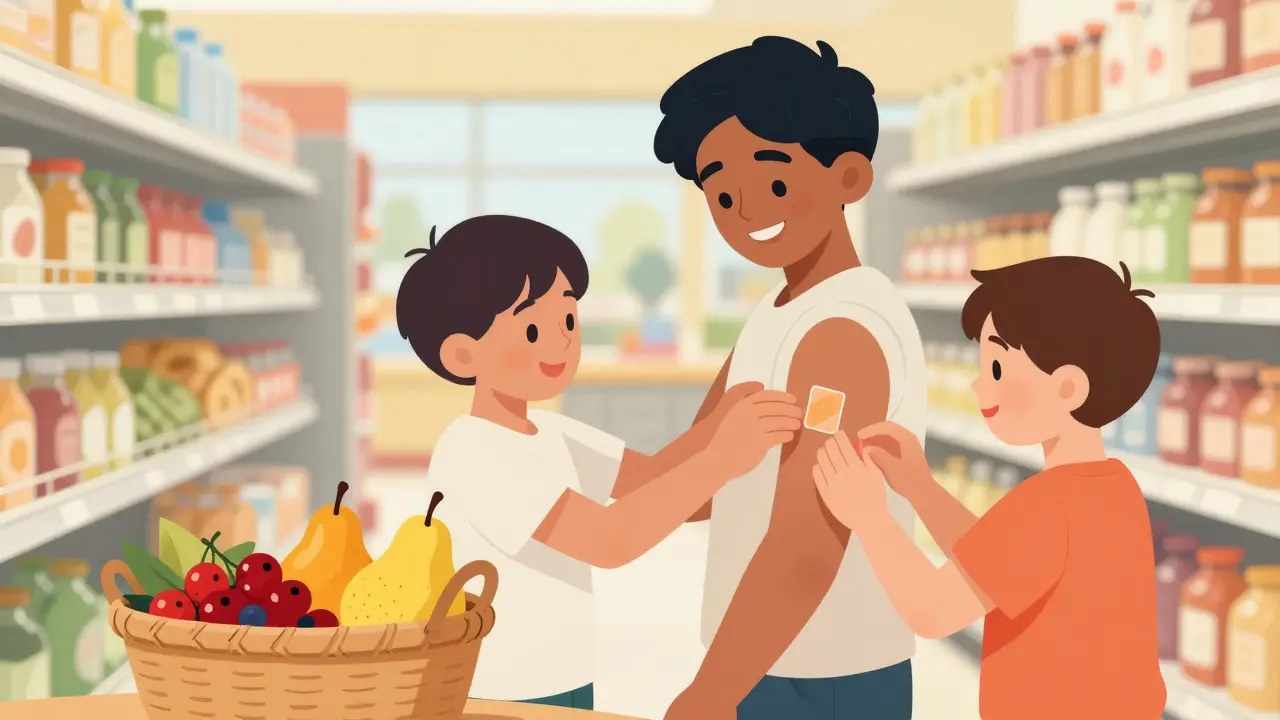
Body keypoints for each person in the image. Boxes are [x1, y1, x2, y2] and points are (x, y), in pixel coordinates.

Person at [400, 214, 803, 710]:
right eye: (532, 329)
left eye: (568, 319)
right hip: (498, 689)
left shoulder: (552, 432)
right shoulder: (473, 451)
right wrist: (721, 454)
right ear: (463, 356)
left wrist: (724, 411)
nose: (563, 341)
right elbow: (608, 540)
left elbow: (653, 478)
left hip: (566, 674)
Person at [653, 36, 925, 720]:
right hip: (760, 657)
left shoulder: (844, 329)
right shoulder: (774, 316)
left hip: (830, 673)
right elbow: (695, 489)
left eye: (774, 180)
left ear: (850, 178)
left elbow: (808, 546)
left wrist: (709, 695)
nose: (746, 210)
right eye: (721, 193)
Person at [811, 257, 1167, 720]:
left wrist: (869, 517)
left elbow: (932, 610)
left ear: (1067, 388)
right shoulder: (1114, 487)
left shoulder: (1046, 504)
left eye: (997, 367)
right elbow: (999, 563)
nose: (980, 385)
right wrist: (920, 488)